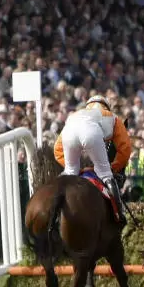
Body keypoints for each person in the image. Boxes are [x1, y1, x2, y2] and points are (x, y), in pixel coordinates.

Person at [54, 96, 132, 226]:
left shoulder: (75, 115)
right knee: (105, 174)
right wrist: (114, 167)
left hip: (68, 133)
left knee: (69, 172)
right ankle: (119, 214)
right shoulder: (112, 116)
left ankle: (54, 212)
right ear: (106, 106)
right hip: (91, 133)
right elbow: (125, 149)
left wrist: (78, 169)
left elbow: (57, 150)